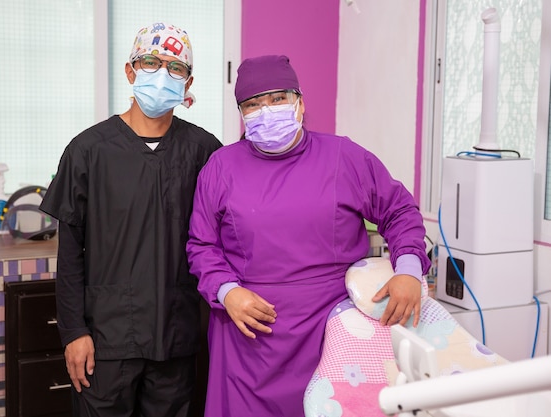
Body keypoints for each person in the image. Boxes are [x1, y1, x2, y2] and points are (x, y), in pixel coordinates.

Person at [186, 55, 431, 417]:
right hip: (248, 335)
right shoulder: (221, 167)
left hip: (333, 330)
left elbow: (399, 211)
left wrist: (408, 268)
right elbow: (201, 245)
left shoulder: (342, 157)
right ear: (241, 113)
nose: (265, 110)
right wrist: (227, 292)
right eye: (252, 104)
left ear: (300, 102)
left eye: (277, 98)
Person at [40, 23, 222, 417]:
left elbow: (224, 239)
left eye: (175, 68)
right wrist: (74, 333)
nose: (162, 74)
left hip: (175, 337)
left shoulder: (205, 152)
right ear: (130, 71)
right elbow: (69, 256)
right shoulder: (88, 151)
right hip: (105, 344)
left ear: (188, 82)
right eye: (152, 62)